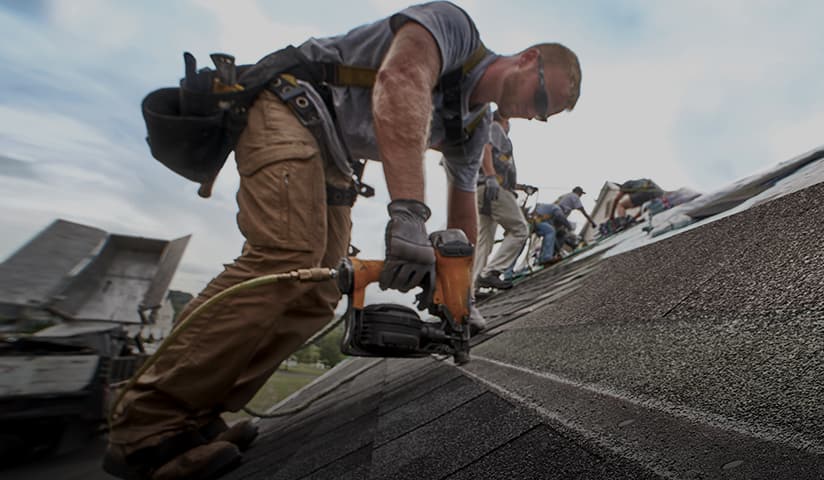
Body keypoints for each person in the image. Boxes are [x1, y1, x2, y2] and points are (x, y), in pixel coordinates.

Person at [105, 3, 582, 478]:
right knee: (285, 256)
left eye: (547, 116)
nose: (536, 115)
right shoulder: (452, 27)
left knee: (317, 292)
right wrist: (409, 217)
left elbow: (463, 214)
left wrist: (459, 296)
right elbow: (400, 81)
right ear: (528, 58)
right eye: (543, 100)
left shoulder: (473, 125)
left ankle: (194, 418)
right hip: (290, 103)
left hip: (331, 150)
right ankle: (144, 430)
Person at [473, 114, 531, 290]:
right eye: (509, 123)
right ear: (505, 121)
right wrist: (491, 177)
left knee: (485, 240)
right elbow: (486, 148)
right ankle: (491, 272)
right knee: (520, 229)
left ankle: (472, 288)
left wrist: (521, 187)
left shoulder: (488, 130)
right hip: (494, 187)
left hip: (481, 189)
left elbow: (499, 166)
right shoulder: (495, 127)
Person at [529, 201, 572, 265]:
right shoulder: (556, 207)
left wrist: (558, 250)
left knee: (548, 233)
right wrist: (569, 226)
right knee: (550, 231)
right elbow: (560, 216)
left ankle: (542, 258)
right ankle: (546, 258)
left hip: (533, 222)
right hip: (536, 220)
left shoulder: (549, 216)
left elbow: (552, 239)